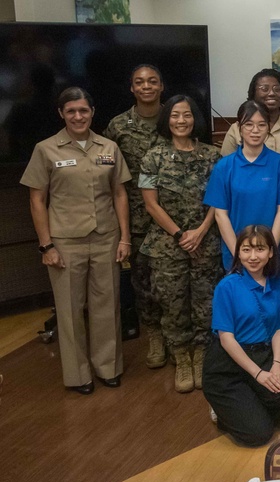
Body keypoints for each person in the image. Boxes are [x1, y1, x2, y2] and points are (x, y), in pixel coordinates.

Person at [21, 87, 131, 394]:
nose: (78, 116)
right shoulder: (46, 149)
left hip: (106, 237)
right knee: (69, 310)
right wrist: (46, 246)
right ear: (61, 114)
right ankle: (78, 374)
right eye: (71, 111)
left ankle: (108, 367)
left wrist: (125, 238)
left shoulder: (108, 147)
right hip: (65, 241)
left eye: (83, 110)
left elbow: (120, 193)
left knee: (107, 305)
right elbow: (36, 200)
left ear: (92, 112)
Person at [139, 94, 222, 393]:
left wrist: (200, 230)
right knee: (172, 302)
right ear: (167, 119)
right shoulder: (153, 157)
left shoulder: (213, 157)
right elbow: (151, 205)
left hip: (206, 241)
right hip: (167, 245)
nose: (181, 121)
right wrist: (180, 235)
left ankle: (200, 356)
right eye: (175, 115)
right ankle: (181, 357)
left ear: (195, 118)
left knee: (205, 301)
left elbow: (218, 200)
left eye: (186, 115)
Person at [203, 226, 280, 446]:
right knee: (258, 435)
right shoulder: (227, 286)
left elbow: (278, 328)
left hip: (262, 355)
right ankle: (223, 407)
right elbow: (226, 339)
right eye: (246, 250)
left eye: (260, 249)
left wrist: (276, 364)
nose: (253, 257)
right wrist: (258, 375)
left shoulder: (279, 285)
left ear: (271, 252)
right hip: (227, 366)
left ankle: (247, 404)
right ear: (238, 253)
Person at [104, 64, 166, 369]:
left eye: (152, 81)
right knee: (142, 283)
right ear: (132, 88)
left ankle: (175, 336)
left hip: (174, 216)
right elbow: (108, 171)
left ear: (161, 86)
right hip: (138, 219)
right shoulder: (117, 126)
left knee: (173, 282)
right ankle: (154, 334)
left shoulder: (175, 117)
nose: (146, 86)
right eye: (139, 82)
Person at [204, 100, 280, 272]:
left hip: (274, 254)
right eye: (249, 124)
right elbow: (221, 216)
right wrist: (240, 254)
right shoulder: (224, 167)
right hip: (235, 254)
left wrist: (268, 252)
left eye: (261, 125)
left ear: (268, 128)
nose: (255, 130)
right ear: (239, 128)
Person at [220, 68, 280, 161]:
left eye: (277, 89)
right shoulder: (237, 129)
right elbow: (227, 167)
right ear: (253, 93)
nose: (271, 93)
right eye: (264, 89)